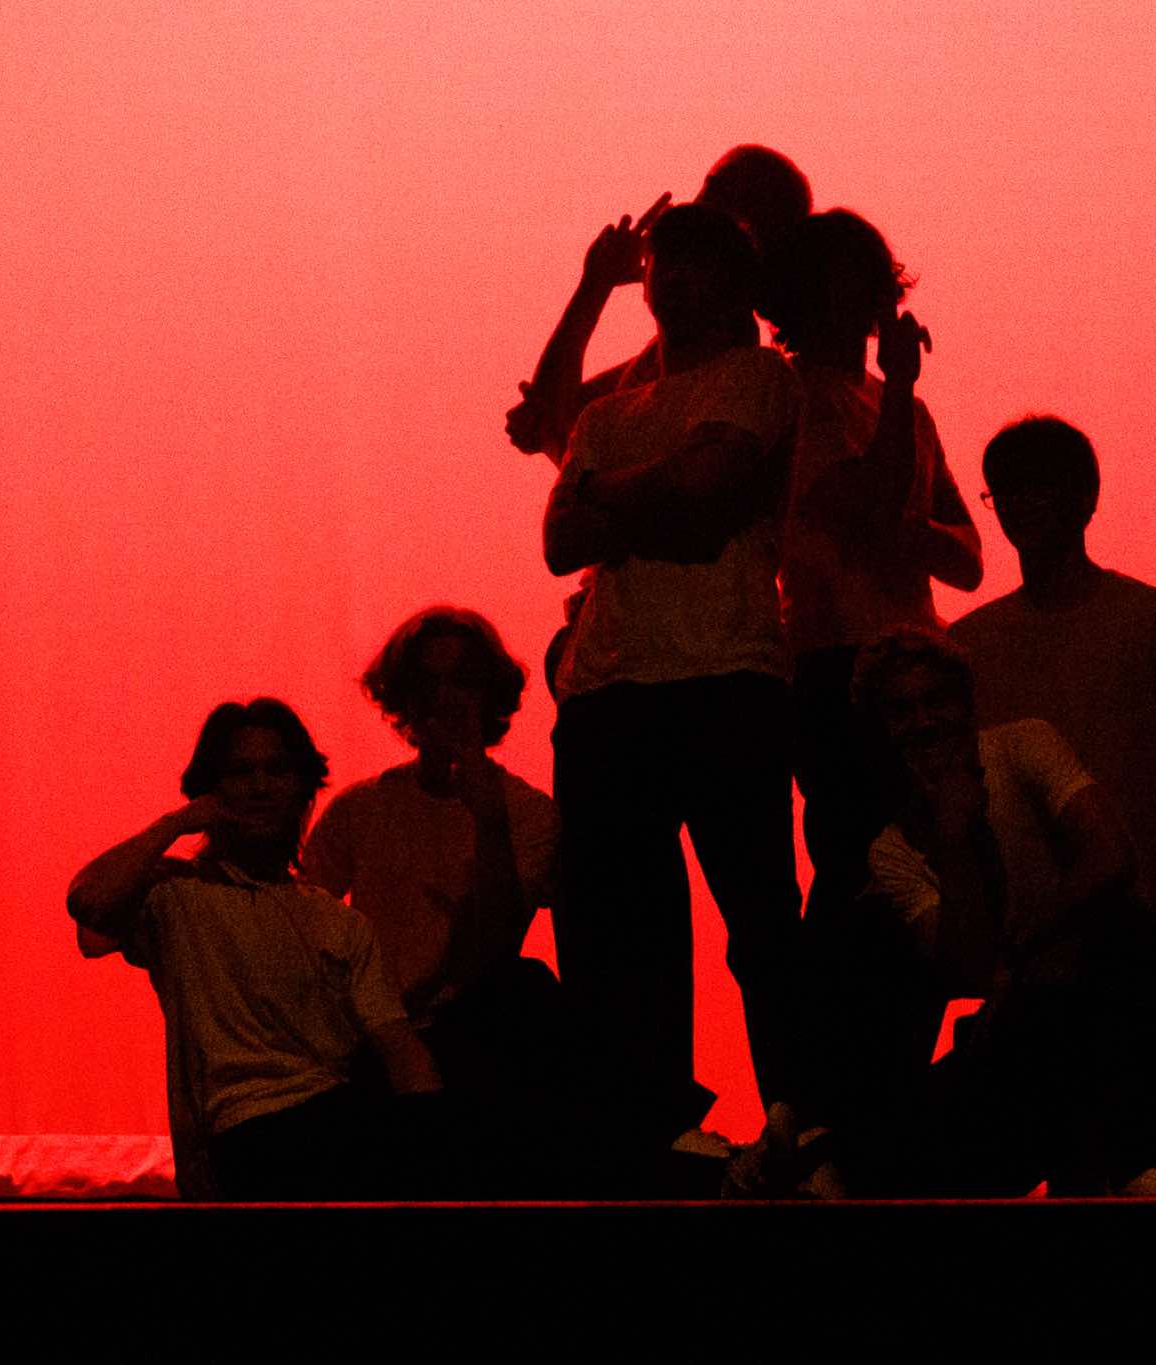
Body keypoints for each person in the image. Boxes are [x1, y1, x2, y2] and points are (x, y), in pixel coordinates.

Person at [541, 201, 804, 1178]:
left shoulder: (757, 377)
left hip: (727, 675)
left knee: (759, 917)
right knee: (623, 928)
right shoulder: (607, 411)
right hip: (606, 689)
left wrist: (605, 491)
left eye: (697, 263)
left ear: (736, 286)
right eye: (664, 263)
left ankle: (799, 1121)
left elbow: (709, 494)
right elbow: (560, 539)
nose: (676, 280)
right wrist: (643, 491)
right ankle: (655, 1131)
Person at [808, 628, 1156, 1199]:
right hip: (1013, 1051)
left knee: (1127, 930)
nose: (923, 722)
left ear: (967, 707)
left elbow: (1112, 856)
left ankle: (1141, 1155)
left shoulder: (1023, 747)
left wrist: (1024, 952)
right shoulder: (892, 849)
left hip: (1078, 1002)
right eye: (900, 710)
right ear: (879, 730)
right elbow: (965, 966)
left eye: (936, 701)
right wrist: (954, 838)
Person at [949, 415, 1156, 1186]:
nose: (1021, 505)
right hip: (1025, 942)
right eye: (1006, 491)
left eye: (1039, 486)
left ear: (1084, 497)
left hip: (1124, 931)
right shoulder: (970, 644)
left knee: (1111, 1144)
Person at [67, 698, 442, 1200]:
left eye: (276, 770)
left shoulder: (340, 923)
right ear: (214, 788)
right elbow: (89, 903)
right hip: (247, 1132)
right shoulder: (176, 896)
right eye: (241, 772)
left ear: (302, 788)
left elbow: (399, 1047)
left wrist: (433, 1136)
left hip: (335, 1116)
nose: (260, 787)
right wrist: (176, 824)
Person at [756, 208, 982, 916]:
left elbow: (968, 555)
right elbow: (873, 505)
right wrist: (903, 386)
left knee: (937, 857)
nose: (858, 294)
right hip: (834, 664)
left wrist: (910, 530)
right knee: (859, 867)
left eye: (867, 276)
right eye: (839, 277)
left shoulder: (904, 409)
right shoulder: (791, 395)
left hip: (919, 655)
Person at [300, 608, 564, 1193]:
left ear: (489, 694)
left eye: (462, 680)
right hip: (373, 1037)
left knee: (528, 988)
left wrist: (487, 817)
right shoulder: (361, 809)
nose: (445, 698)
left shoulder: (528, 814)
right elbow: (298, 929)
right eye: (427, 682)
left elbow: (498, 949)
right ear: (404, 698)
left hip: (477, 1035)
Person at [506, 146, 812, 465]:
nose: (695, 205)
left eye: (716, 192)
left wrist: (596, 283)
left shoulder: (737, 374)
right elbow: (555, 415)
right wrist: (597, 283)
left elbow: (561, 429)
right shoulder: (669, 356)